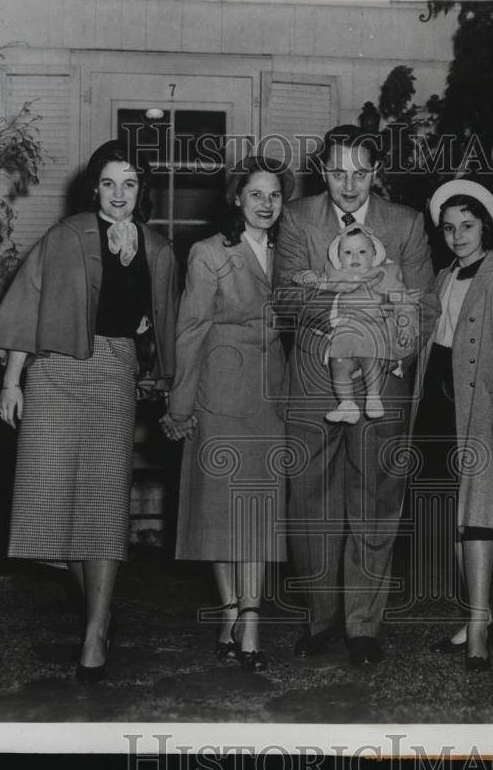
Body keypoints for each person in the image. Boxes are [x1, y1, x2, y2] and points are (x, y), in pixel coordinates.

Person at [0, 138, 179, 682]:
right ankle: (102, 607)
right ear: (95, 187)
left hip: (114, 374)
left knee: (104, 504)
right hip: (54, 373)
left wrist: (156, 361)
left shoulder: (158, 250)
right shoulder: (63, 237)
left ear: (144, 190)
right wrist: (11, 382)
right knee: (47, 505)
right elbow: (27, 308)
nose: (119, 194)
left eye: (131, 183)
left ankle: (93, 632)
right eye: (109, 183)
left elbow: (163, 326)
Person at [273, 124, 439, 666]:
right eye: (339, 173)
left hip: (384, 376)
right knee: (311, 502)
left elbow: (423, 306)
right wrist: (350, 313)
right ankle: (321, 620)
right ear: (323, 172)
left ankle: (363, 625)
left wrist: (394, 347)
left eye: (361, 173)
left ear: (376, 172)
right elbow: (288, 299)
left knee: (375, 501)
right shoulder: (297, 217)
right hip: (315, 372)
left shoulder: (407, 223)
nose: (350, 185)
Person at [159, 156, 292, 672]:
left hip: (271, 394)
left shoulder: (291, 254)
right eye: (256, 194)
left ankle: (252, 617)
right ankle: (229, 610)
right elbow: (190, 329)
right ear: (237, 198)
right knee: (219, 510)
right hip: (218, 390)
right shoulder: (208, 252)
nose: (266, 204)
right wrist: (181, 404)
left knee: (257, 509)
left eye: (275, 196)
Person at [413, 180, 493, 672]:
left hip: (481, 410)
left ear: (485, 225)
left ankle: (479, 624)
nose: (458, 235)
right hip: (437, 406)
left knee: (478, 515)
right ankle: (477, 613)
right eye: (449, 227)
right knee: (451, 518)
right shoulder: (440, 277)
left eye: (467, 225)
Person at [291, 222, 419, 424]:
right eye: (348, 252)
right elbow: (319, 282)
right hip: (344, 332)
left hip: (373, 329)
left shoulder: (384, 275)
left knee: (371, 360)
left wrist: (406, 326)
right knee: (338, 364)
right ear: (338, 258)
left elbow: (404, 301)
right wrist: (307, 277)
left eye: (362, 251)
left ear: (374, 254)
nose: (355, 257)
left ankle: (374, 398)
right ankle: (347, 404)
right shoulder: (334, 275)